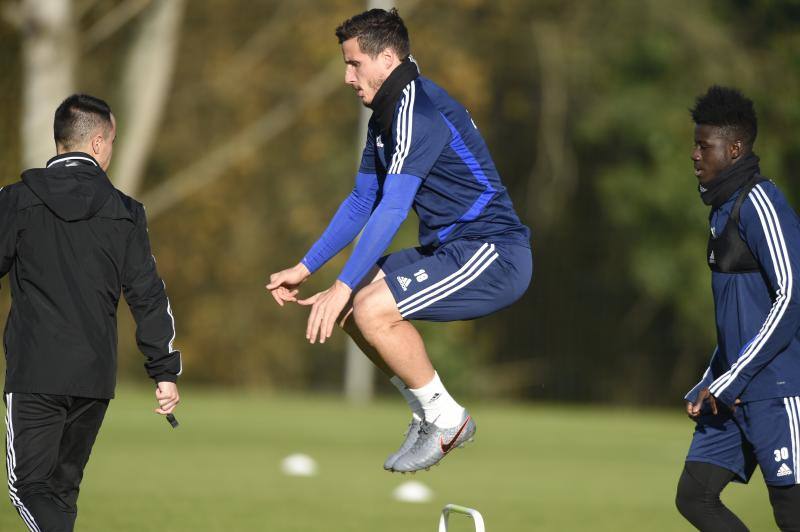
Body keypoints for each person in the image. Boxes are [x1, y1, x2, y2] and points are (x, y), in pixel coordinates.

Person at [266, 8, 532, 474]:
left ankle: (447, 419)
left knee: (366, 305)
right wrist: (306, 267)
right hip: (450, 248)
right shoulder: (385, 116)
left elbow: (392, 209)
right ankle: (428, 413)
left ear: (387, 59)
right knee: (351, 310)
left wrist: (346, 283)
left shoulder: (417, 111)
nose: (347, 77)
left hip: (493, 253)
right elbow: (360, 201)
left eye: (354, 64)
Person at [0, 94, 182, 531]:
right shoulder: (125, 212)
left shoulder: (15, 200)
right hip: (95, 378)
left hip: (35, 371)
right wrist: (164, 370)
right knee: (61, 494)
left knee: (28, 489)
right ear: (98, 144)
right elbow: (148, 295)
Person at [676, 86, 800, 531]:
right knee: (695, 496)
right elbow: (738, 316)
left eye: (703, 146)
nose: (694, 154)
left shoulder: (762, 204)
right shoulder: (720, 209)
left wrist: (729, 379)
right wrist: (712, 379)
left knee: (792, 514)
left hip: (778, 390)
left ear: (734, 149)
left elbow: (792, 297)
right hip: (734, 390)